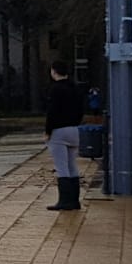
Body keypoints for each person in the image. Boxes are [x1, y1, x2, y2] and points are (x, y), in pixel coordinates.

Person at [45, 60, 85, 210]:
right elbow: (81, 109)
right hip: (74, 130)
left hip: (59, 131)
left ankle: (64, 201)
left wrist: (48, 131)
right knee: (72, 165)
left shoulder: (55, 89)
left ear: (54, 72)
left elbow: (52, 112)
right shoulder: (75, 88)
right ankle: (74, 200)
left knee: (61, 166)